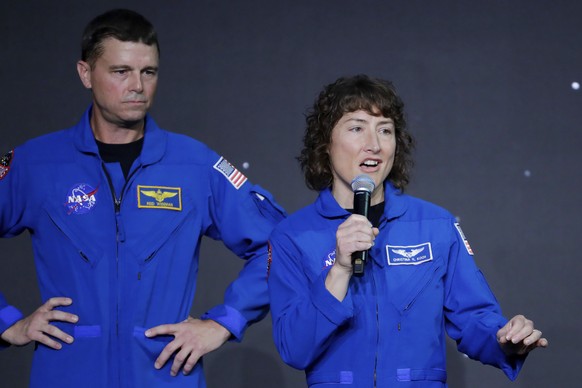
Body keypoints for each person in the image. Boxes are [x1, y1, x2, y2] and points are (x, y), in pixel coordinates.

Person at [0, 9, 285, 388]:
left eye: (148, 72)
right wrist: (8, 323)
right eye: (121, 71)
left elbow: (281, 245)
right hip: (67, 375)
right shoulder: (37, 164)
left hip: (166, 376)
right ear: (86, 74)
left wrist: (224, 322)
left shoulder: (193, 165)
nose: (137, 85)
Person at [267, 74, 548, 387]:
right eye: (357, 127)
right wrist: (339, 271)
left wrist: (503, 340)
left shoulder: (435, 225)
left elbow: (473, 317)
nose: (373, 145)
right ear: (325, 143)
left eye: (385, 130)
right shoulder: (292, 235)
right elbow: (294, 348)